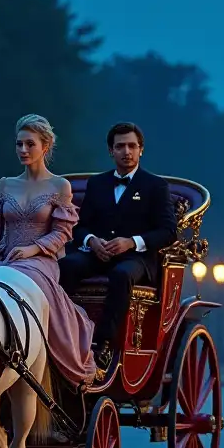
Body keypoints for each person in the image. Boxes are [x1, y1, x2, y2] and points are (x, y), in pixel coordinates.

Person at [0, 115, 97, 386]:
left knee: (25, 283)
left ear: (45, 147)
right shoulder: (5, 184)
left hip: (41, 261)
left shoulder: (59, 186)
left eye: (30, 144)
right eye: (19, 144)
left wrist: (32, 249)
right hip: (4, 258)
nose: (23, 150)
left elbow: (62, 233)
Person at [58, 122, 177, 369]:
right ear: (111, 151)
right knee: (66, 266)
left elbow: (168, 231)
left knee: (121, 275)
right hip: (97, 253)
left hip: (137, 259)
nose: (127, 151)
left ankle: (103, 344)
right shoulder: (97, 184)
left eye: (132, 146)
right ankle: (63, 333)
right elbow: (79, 227)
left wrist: (131, 242)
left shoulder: (156, 186)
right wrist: (91, 241)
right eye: (120, 146)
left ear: (141, 149)